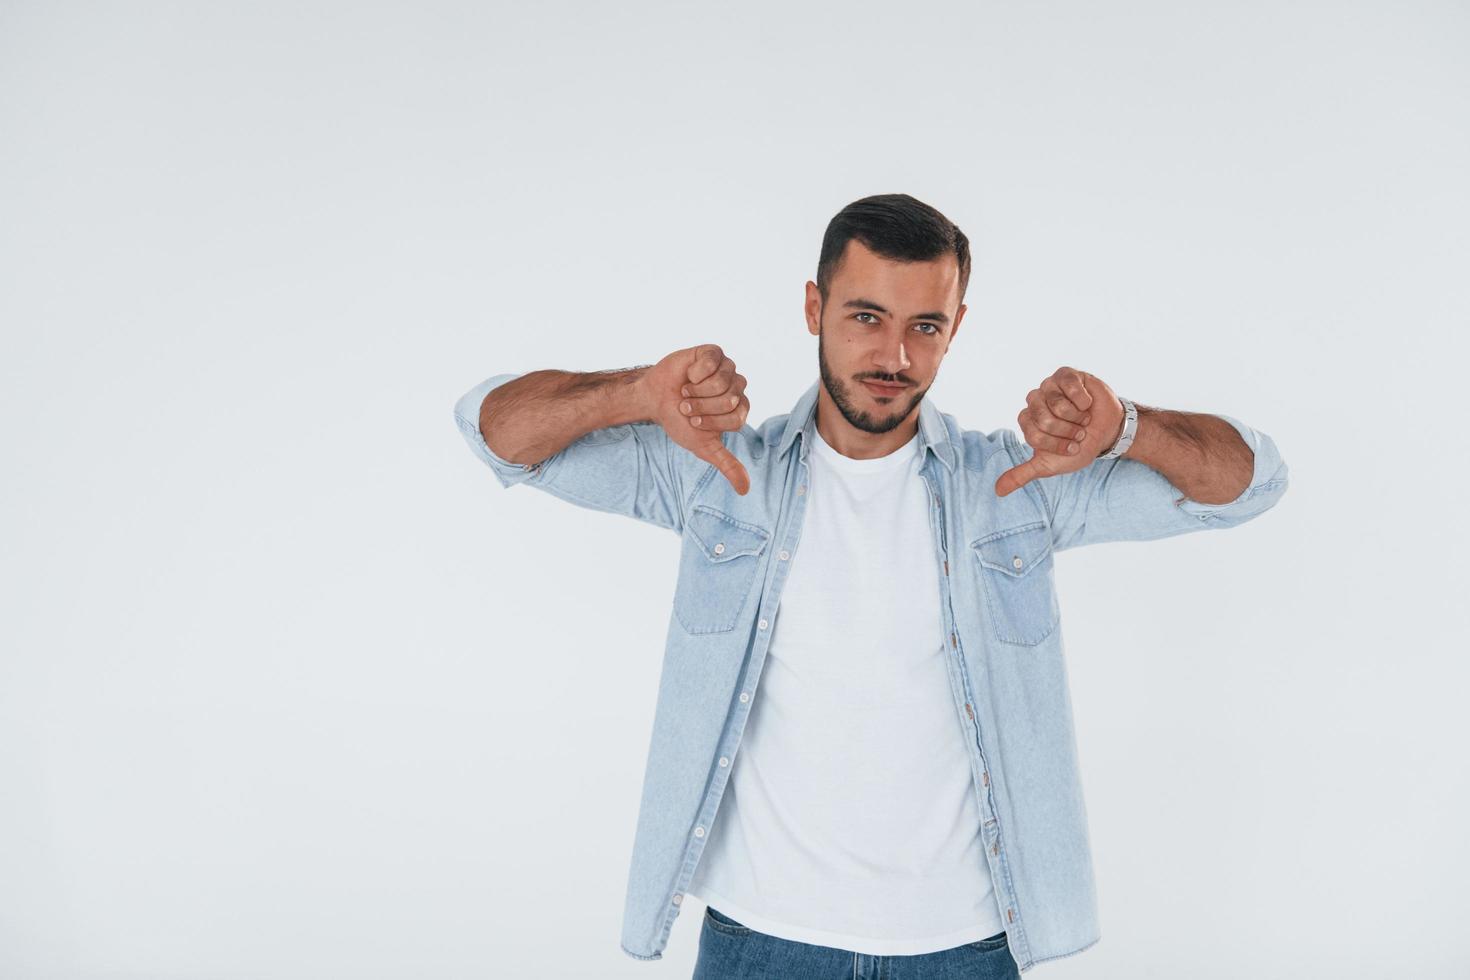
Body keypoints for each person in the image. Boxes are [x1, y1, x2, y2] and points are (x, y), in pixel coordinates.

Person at [452, 193, 1290, 978]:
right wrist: (636, 392)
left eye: (925, 325)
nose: (894, 355)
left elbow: (1250, 485)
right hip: (760, 942)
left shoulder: (1015, 487)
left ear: (956, 328)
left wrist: (1126, 431)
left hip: (962, 949)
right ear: (814, 310)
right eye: (865, 317)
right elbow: (496, 433)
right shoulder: (719, 473)